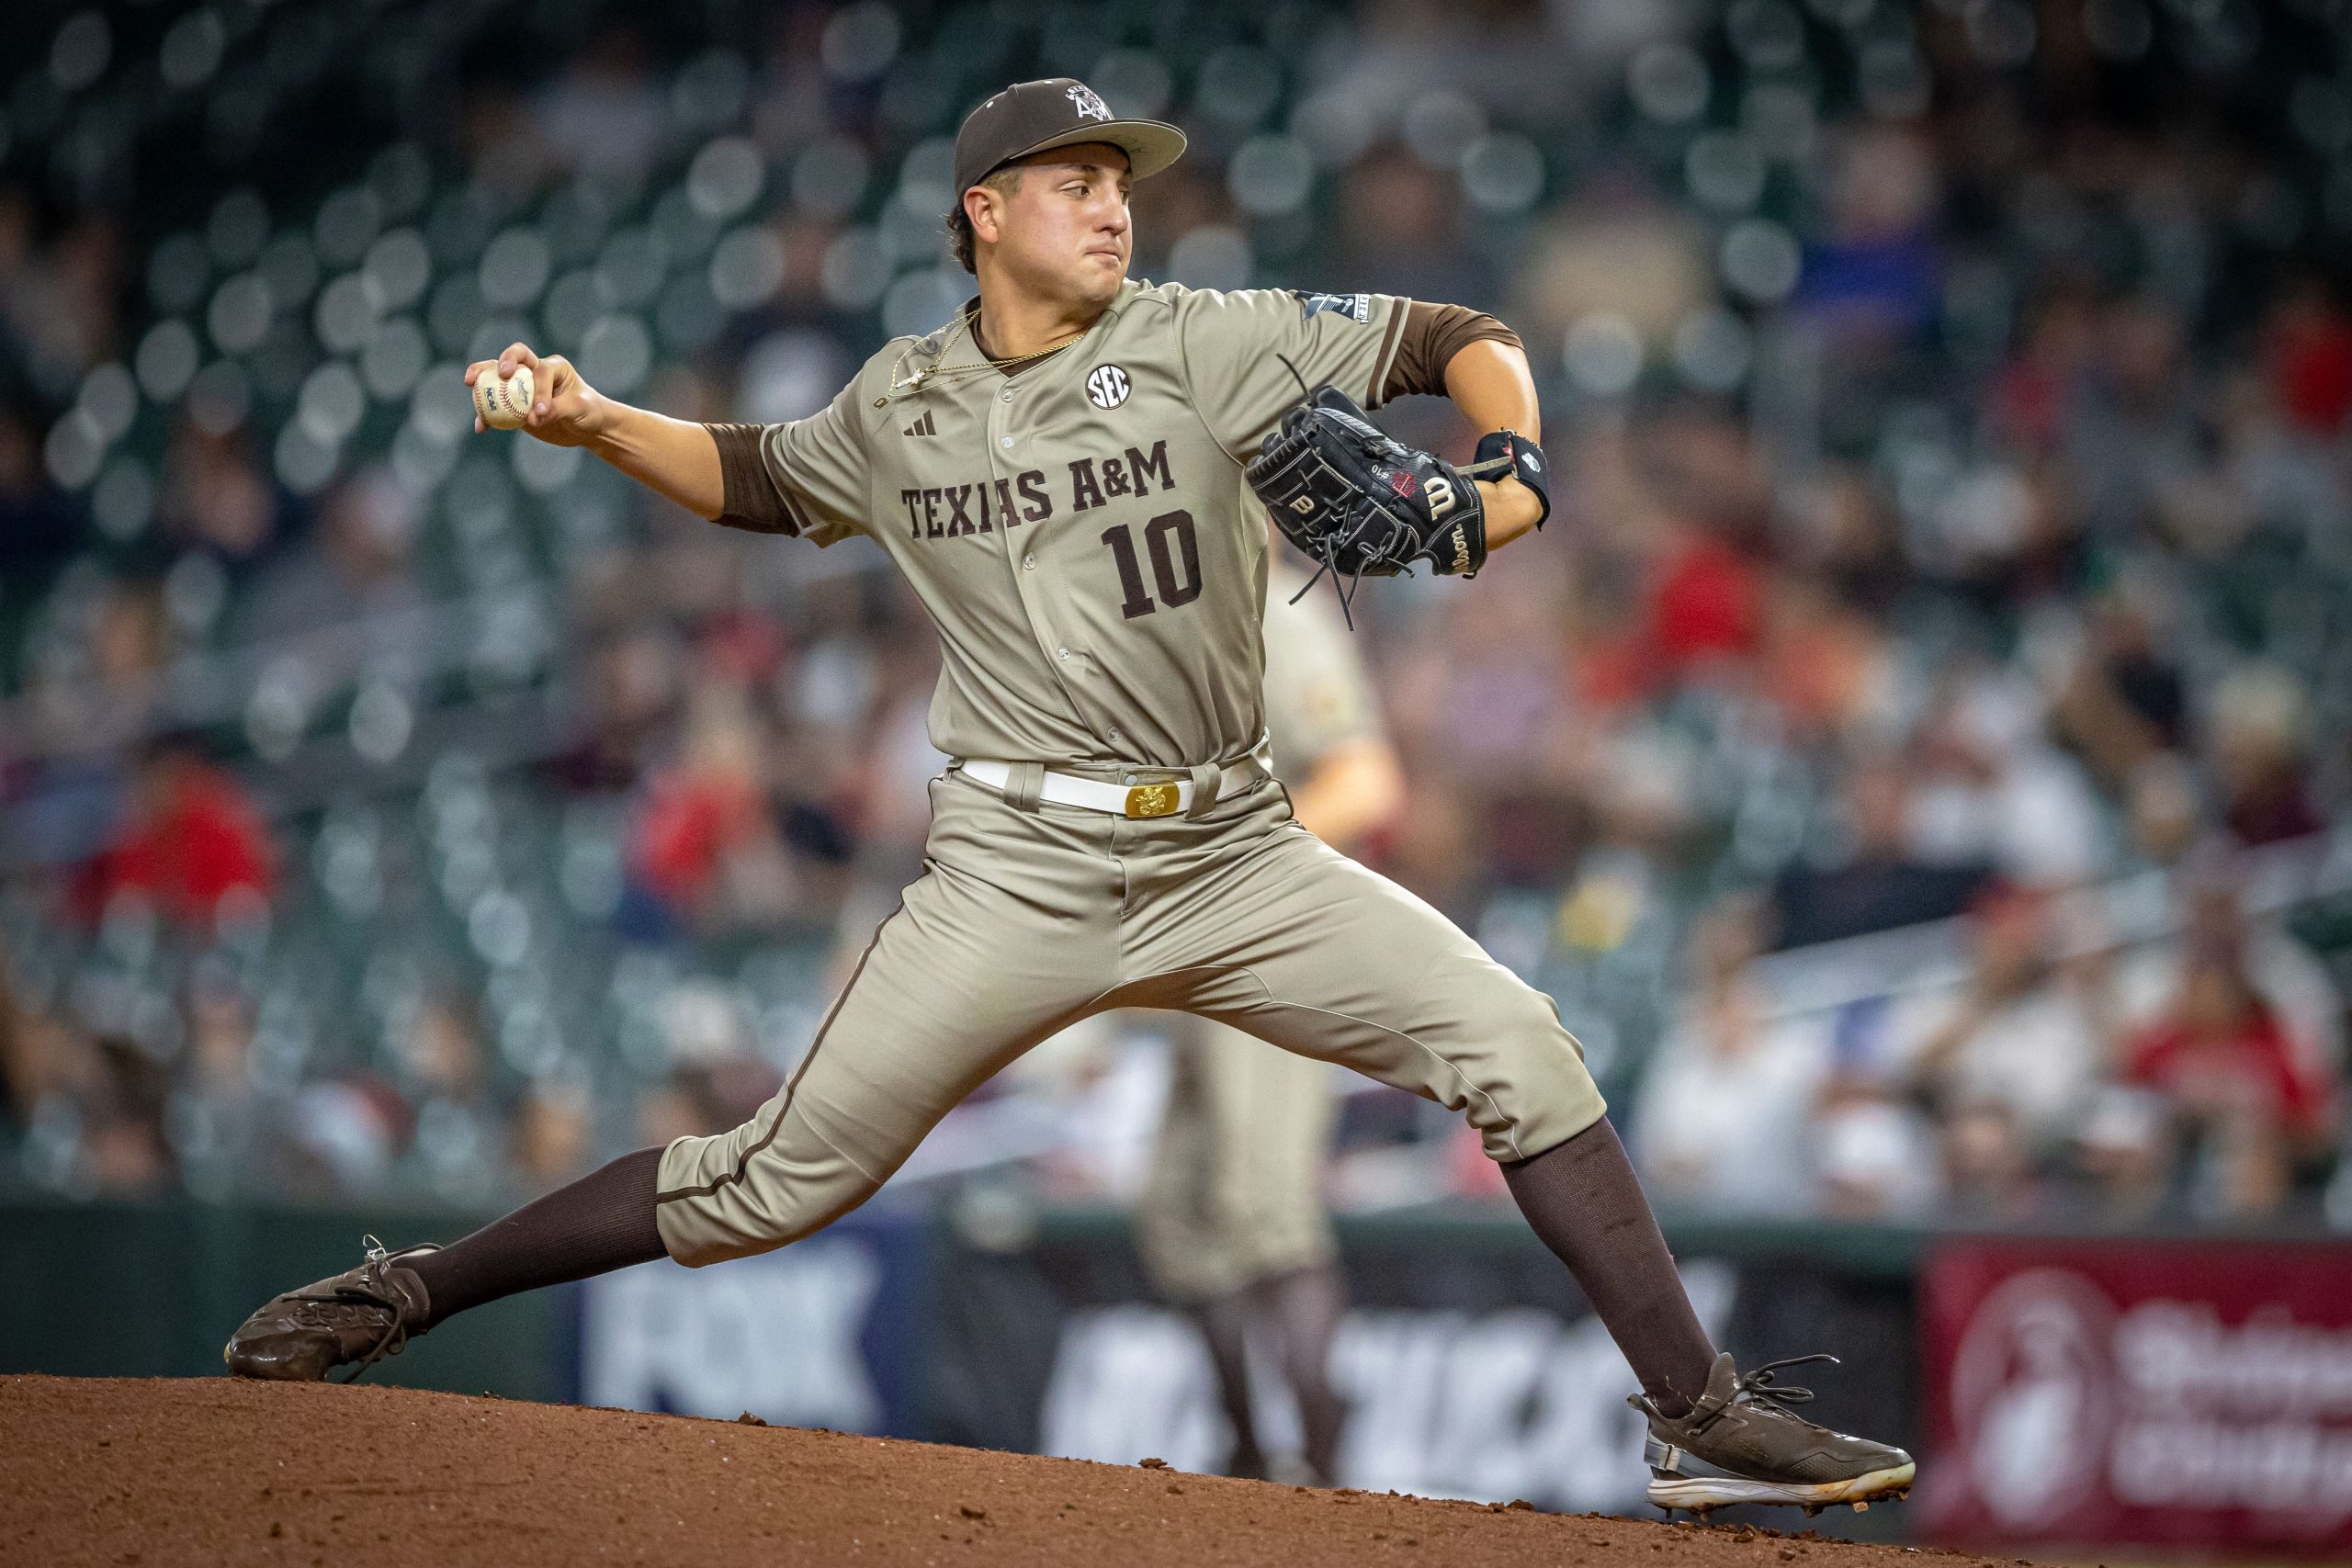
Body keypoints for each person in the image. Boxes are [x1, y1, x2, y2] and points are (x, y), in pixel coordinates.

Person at [223, 77, 1911, 1517]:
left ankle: (1700, 1414)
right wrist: (597, 421)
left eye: (1123, 185)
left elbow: (1457, 335)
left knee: (1522, 1042)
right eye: (1078, 183)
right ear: (985, 211)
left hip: (1238, 848)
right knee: (771, 1188)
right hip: (1016, 864)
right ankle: (413, 1288)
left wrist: (1515, 474)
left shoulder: (1208, 338)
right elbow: (755, 477)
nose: (1115, 210)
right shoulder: (902, 401)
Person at [1133, 544, 1404, 1485]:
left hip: (1274, 941)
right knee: (1177, 1211)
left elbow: (1365, 780)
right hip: (1201, 952)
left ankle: (1324, 1476)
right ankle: (1246, 1454)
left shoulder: (1276, 615)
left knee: (1265, 1212)